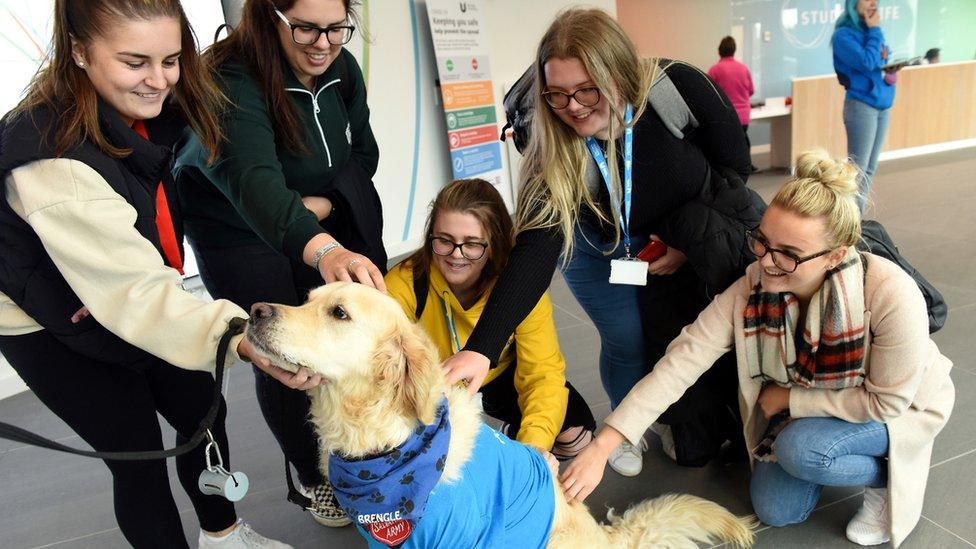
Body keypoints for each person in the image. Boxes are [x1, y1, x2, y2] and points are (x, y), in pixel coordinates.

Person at [0, 1, 315, 547]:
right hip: (44, 318)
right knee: (136, 453)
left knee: (201, 412)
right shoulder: (53, 161)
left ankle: (223, 534)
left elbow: (140, 274)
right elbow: (133, 293)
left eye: (170, 60)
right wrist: (237, 336)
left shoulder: (143, 112)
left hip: (125, 281)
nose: (158, 79)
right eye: (135, 61)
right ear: (78, 51)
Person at [561, 150, 955, 547]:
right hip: (815, 404)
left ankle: (888, 478)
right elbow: (681, 362)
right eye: (763, 242)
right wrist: (604, 445)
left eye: (789, 254)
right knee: (775, 511)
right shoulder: (752, 287)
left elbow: (887, 403)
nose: (767, 262)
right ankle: (826, 451)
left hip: (898, 407)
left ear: (836, 255)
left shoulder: (890, 293)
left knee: (802, 449)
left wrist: (790, 399)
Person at [440, 8, 764, 475]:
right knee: (627, 338)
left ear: (620, 73)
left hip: (681, 236)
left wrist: (685, 245)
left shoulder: (678, 87)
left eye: (587, 89)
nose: (572, 107)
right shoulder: (551, 144)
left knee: (694, 329)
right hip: (596, 249)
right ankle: (626, 426)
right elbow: (533, 252)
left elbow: (734, 165)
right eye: (556, 94)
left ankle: (702, 415)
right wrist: (483, 347)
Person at [175, 0, 384, 526]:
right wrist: (326, 245)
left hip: (314, 222)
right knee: (285, 351)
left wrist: (324, 208)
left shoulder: (341, 67)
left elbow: (364, 155)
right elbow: (255, 184)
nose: (323, 43)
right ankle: (312, 476)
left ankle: (356, 450)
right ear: (269, 16)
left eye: (338, 28)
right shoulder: (228, 76)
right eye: (306, 28)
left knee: (338, 339)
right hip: (238, 232)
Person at [385, 179, 597, 459]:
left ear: (494, 243)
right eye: (444, 240)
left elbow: (543, 373)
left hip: (497, 376)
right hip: (433, 387)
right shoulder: (404, 283)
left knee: (576, 440)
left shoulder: (519, 285)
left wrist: (530, 451)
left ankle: (507, 438)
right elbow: (382, 373)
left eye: (472, 244)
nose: (456, 254)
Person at [832, 0, 901, 213]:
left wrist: (890, 72)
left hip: (882, 106)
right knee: (857, 171)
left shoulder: (870, 32)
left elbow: (879, 60)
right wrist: (875, 29)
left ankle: (857, 222)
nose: (874, 4)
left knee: (868, 170)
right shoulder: (843, 35)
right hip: (861, 106)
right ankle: (849, 224)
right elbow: (868, 61)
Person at [707, 36, 757, 172]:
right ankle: (747, 165)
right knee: (742, 137)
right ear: (734, 50)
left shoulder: (715, 70)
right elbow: (751, 91)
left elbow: (708, 94)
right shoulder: (743, 68)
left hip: (726, 116)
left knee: (727, 143)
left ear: (719, 51)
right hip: (744, 116)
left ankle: (730, 169)